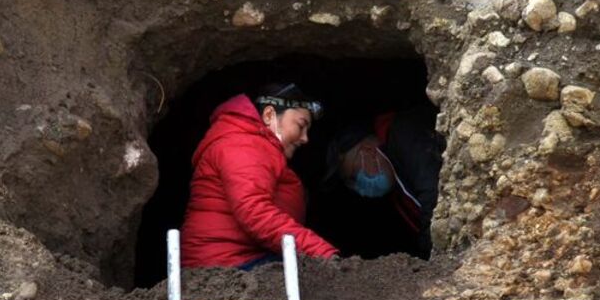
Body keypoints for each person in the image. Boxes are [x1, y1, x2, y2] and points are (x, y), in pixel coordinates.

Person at [180, 83, 339, 269]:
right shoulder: (243, 144)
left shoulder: (252, 144)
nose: (305, 138)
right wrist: (321, 253)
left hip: (238, 259)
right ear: (269, 115)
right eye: (301, 125)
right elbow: (255, 211)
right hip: (226, 263)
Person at [326, 105, 443, 258]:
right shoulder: (398, 191)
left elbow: (433, 192)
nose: (358, 188)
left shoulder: (404, 133)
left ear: (368, 150)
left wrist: (436, 255)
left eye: (354, 176)